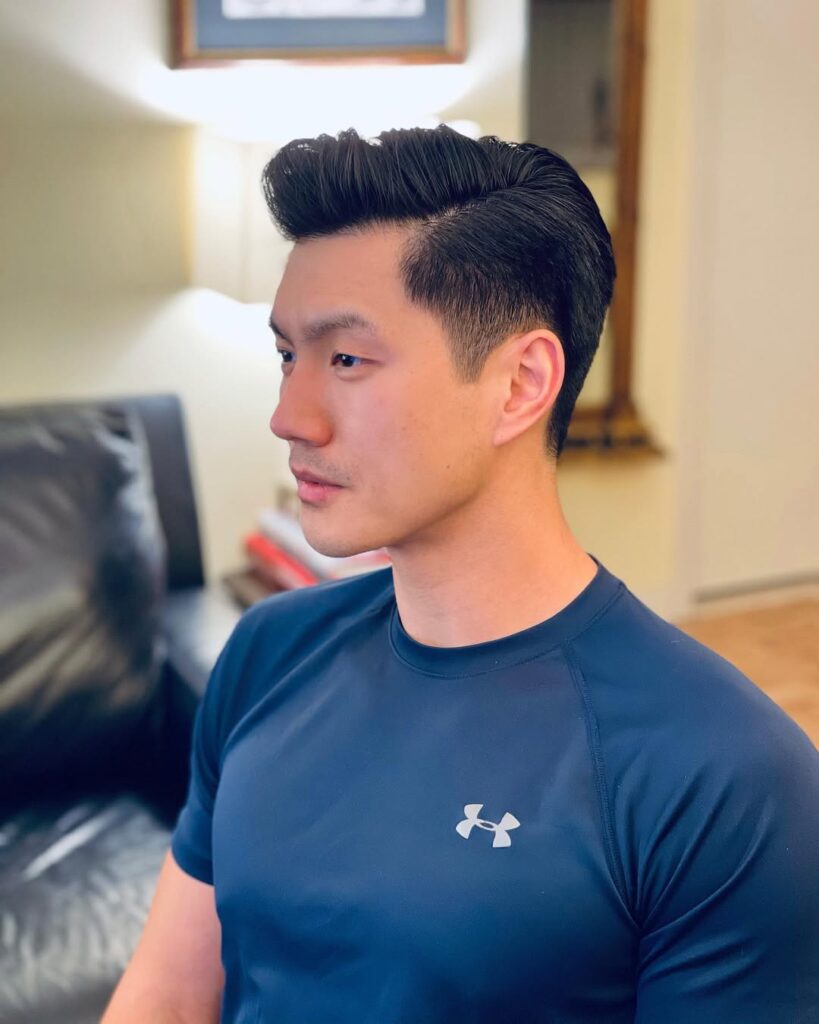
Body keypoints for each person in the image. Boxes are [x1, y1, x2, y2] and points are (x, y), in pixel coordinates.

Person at [103, 125, 819, 1023]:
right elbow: (168, 995)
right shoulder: (266, 653)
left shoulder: (724, 777)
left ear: (519, 384)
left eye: (347, 359)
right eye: (288, 355)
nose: (289, 415)